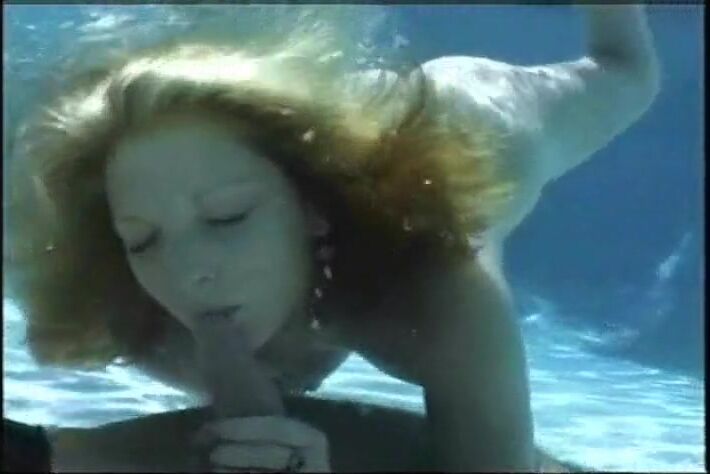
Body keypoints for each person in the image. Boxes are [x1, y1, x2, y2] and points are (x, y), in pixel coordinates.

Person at [4, 5, 659, 472]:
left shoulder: (441, 296)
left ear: (314, 207)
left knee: (629, 75)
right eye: (143, 239)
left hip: (476, 125)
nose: (187, 271)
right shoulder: (140, 309)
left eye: (228, 218)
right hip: (308, 139)